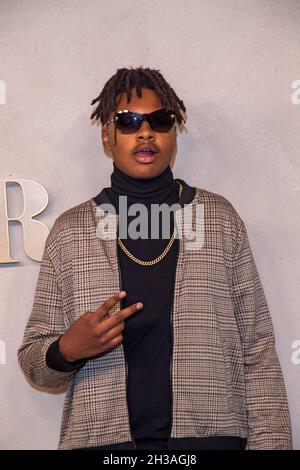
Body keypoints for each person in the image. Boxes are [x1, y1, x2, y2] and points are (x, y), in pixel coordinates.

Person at [18, 66, 292, 450]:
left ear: (173, 131)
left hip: (209, 443)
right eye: (128, 121)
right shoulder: (71, 231)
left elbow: (258, 349)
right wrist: (66, 349)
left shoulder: (218, 219)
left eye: (159, 120)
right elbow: (34, 364)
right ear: (106, 136)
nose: (145, 132)